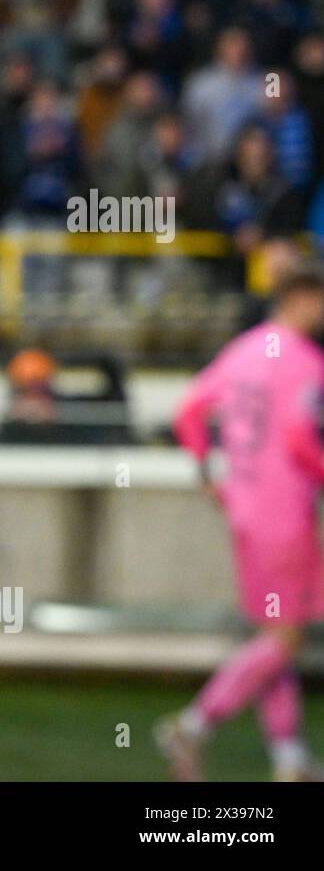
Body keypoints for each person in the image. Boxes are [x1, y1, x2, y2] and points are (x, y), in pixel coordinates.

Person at [160, 264, 324, 781]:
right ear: (304, 297)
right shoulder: (305, 360)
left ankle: (288, 756)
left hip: (246, 508)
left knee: (275, 632)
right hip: (285, 511)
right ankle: (193, 723)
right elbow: (300, 438)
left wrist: (207, 472)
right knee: (285, 638)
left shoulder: (243, 350)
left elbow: (188, 411)